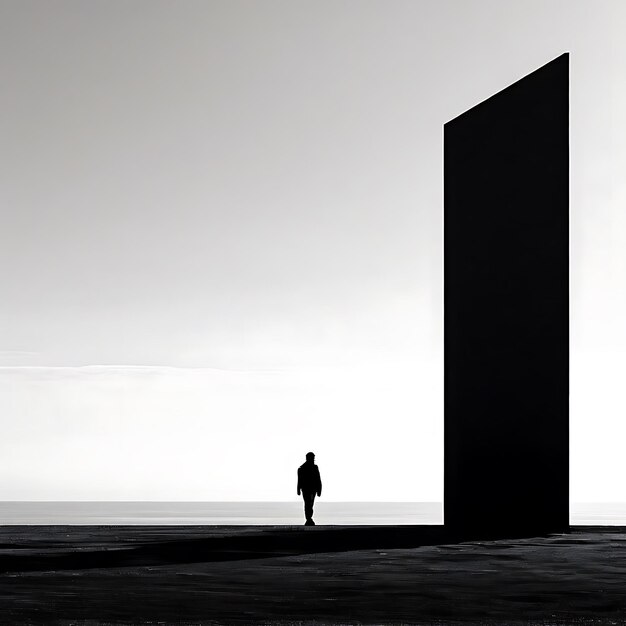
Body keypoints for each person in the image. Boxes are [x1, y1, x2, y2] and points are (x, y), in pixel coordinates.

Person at [297, 451, 322, 525]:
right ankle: (308, 518)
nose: (313, 460)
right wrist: (298, 489)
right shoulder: (301, 469)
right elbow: (299, 480)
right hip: (306, 489)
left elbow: (318, 479)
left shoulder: (314, 468)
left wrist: (319, 489)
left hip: (312, 489)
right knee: (308, 503)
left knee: (310, 504)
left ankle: (309, 518)